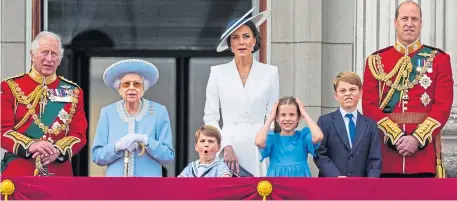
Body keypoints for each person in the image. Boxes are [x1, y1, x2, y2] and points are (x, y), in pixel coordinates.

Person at [362, 1, 453, 178]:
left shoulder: (439, 60)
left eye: (414, 19)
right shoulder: (376, 61)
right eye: (404, 18)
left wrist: (417, 139)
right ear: (395, 22)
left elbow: (442, 106)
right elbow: (369, 106)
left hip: (423, 156)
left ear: (421, 23)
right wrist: (396, 137)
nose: (409, 24)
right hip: (386, 156)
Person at [204, 7, 279, 177]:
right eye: (235, 38)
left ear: (254, 41)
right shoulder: (217, 73)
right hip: (229, 144)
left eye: (246, 36)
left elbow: (272, 115)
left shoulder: (270, 72)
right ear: (230, 44)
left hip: (260, 145)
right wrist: (224, 145)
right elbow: (210, 117)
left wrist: (267, 143)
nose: (241, 42)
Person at [1, 31, 87, 176]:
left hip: (59, 171)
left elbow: (79, 135)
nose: (49, 59)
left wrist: (57, 151)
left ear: (60, 60)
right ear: (32, 55)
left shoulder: (74, 91)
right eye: (44, 52)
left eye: (54, 54)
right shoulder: (10, 87)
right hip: (19, 170)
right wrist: (31, 146)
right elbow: (2, 130)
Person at [91, 59, 175, 177]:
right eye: (126, 84)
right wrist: (117, 147)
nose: (131, 88)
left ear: (143, 89)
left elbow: (167, 156)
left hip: (148, 186)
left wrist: (146, 140)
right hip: (116, 187)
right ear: (119, 89)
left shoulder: (158, 112)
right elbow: (97, 157)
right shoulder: (108, 113)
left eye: (137, 84)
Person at [314, 72, 382, 177]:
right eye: (343, 90)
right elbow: (320, 153)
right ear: (336, 95)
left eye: (352, 89)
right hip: (332, 184)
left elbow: (375, 159)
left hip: (362, 186)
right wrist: (335, 175)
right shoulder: (325, 121)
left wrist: (371, 183)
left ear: (361, 93)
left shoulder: (370, 125)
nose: (347, 94)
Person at [254, 96, 323, 177]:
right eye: (283, 115)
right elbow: (259, 142)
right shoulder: (273, 138)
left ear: (298, 118)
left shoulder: (303, 137)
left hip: (300, 180)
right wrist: (270, 118)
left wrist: (304, 113)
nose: (287, 118)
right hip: (277, 180)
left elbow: (318, 136)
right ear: (277, 118)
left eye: (292, 115)